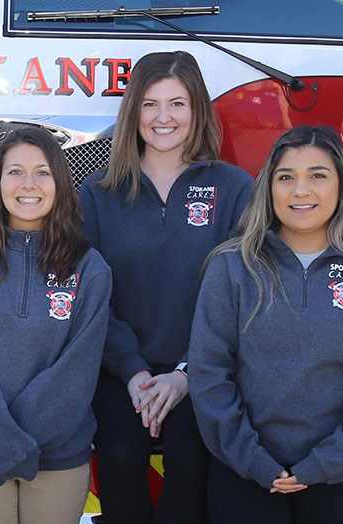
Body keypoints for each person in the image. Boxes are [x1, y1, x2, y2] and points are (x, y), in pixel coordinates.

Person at [188, 125, 343, 523]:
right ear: (268, 188)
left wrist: (330, 461)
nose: (301, 191)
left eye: (317, 175)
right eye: (286, 177)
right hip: (245, 471)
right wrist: (252, 459)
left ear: (342, 187)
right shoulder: (231, 266)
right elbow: (210, 370)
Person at [77, 50, 252, 524]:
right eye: (150, 104)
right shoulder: (96, 194)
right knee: (116, 451)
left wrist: (188, 374)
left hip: (206, 372)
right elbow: (88, 299)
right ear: (133, 112)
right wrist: (133, 372)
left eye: (177, 103)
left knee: (191, 458)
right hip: (120, 373)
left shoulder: (235, 189)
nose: (163, 118)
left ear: (197, 109)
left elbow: (246, 297)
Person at [0, 127, 110, 524]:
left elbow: (78, 370)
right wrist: (0, 440)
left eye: (43, 172)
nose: (28, 184)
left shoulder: (90, 269)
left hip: (58, 455)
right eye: (15, 172)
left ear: (60, 183)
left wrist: (22, 443)